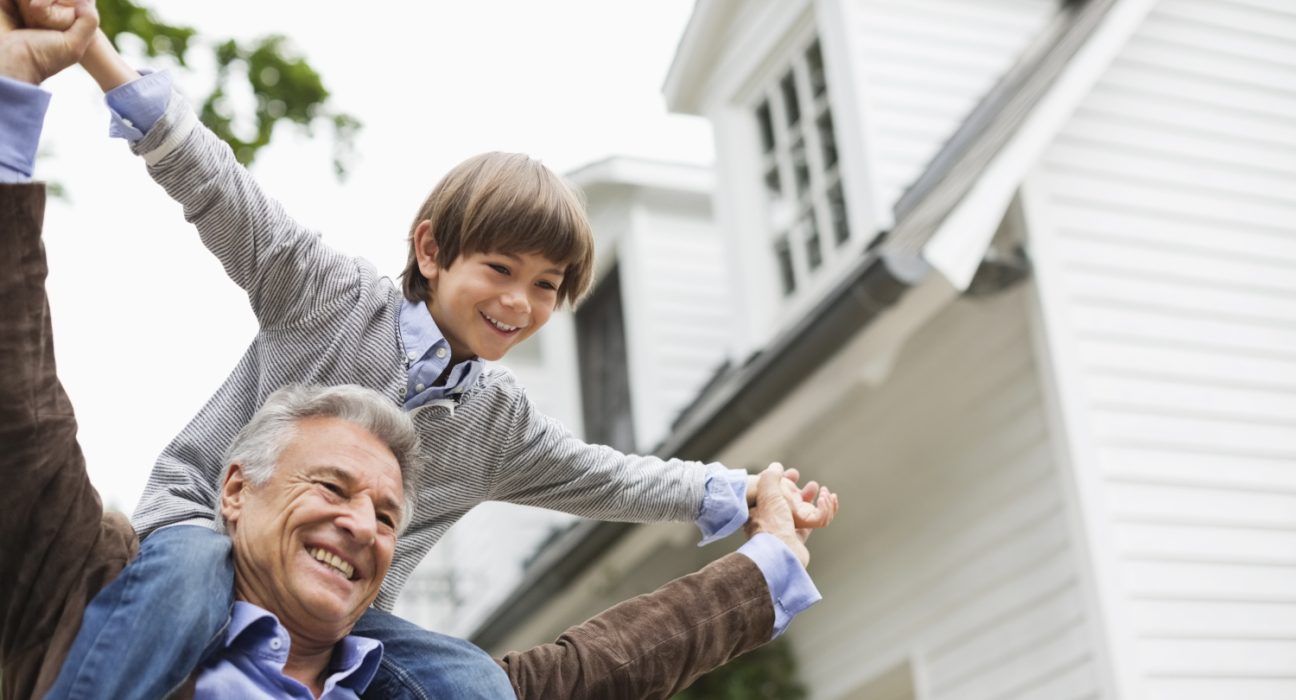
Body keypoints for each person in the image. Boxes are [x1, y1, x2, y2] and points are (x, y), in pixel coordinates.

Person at [1, 5, 840, 698]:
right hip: (199, 534)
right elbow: (219, 186)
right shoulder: (324, 296)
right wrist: (92, 55)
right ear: (433, 250)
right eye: (499, 270)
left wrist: (739, 490)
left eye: (547, 287)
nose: (519, 304)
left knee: (473, 681)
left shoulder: (499, 426)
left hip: (343, 607)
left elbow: (612, 477)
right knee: (186, 590)